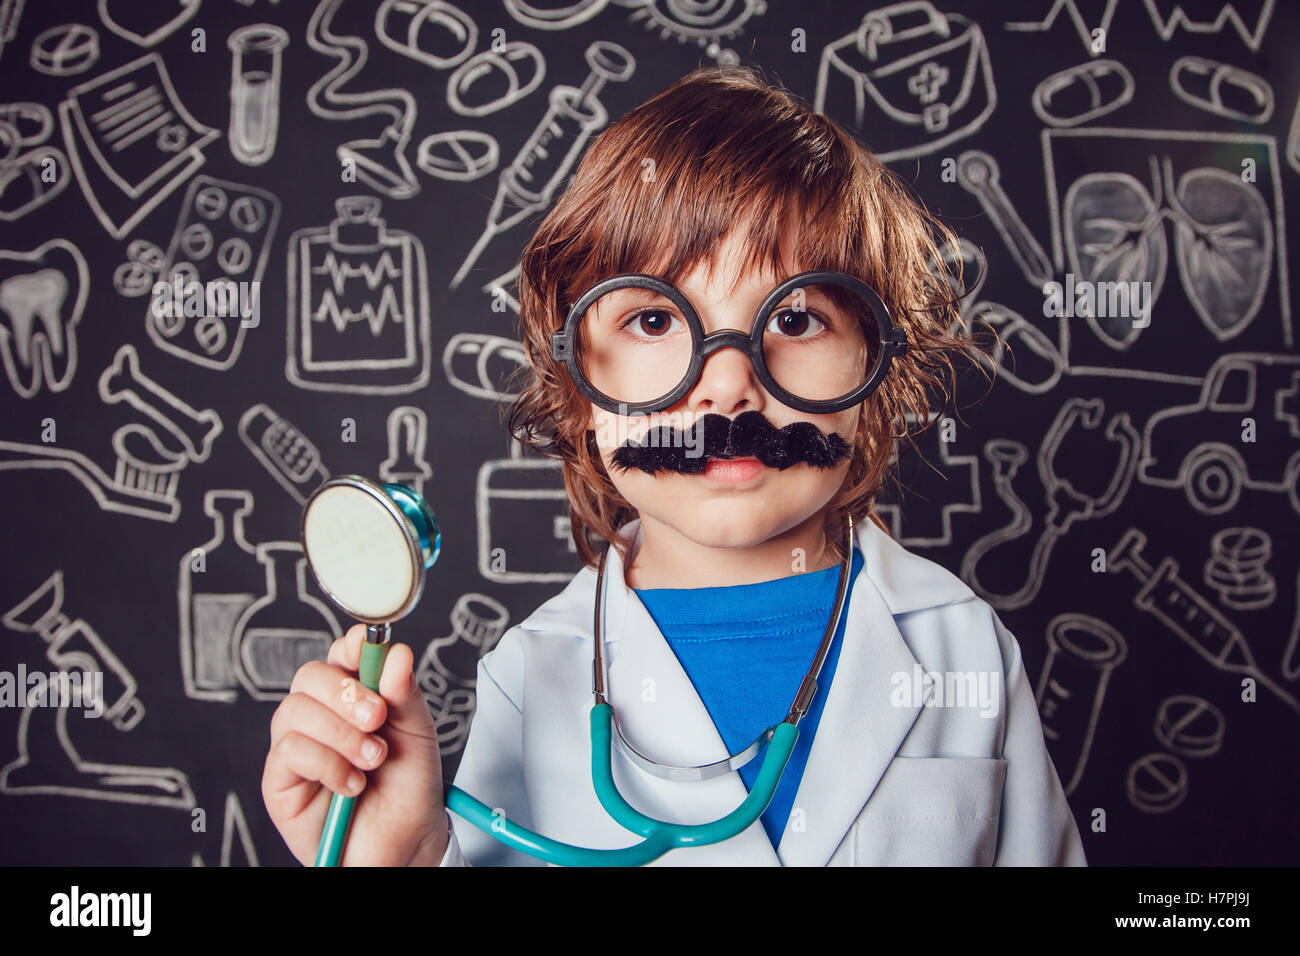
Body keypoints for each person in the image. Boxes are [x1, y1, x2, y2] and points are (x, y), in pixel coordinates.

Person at [262, 64, 1087, 867]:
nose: (727, 387)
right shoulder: (529, 674)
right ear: (576, 378)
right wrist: (405, 861)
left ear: (877, 364)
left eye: (795, 319)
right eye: (655, 322)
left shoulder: (963, 645)